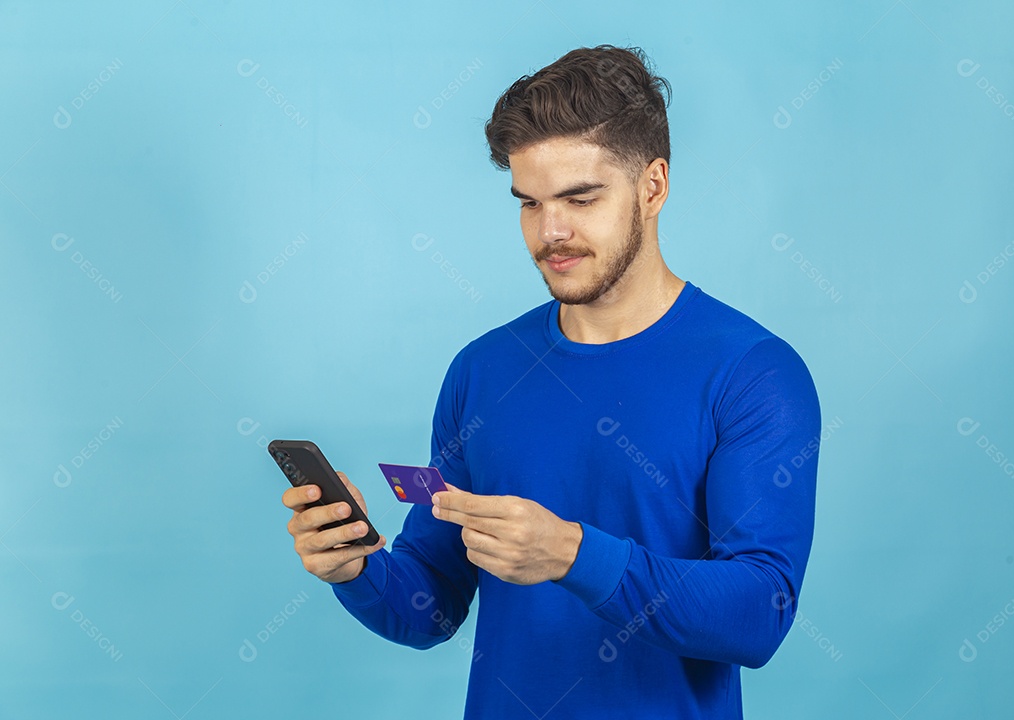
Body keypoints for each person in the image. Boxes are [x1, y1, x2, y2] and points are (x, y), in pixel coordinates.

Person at [282, 43, 821, 719]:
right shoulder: (483, 371)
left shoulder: (754, 374)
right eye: (529, 203)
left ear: (652, 187)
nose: (551, 232)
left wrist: (572, 553)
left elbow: (758, 615)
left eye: (579, 198)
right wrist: (357, 569)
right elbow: (432, 607)